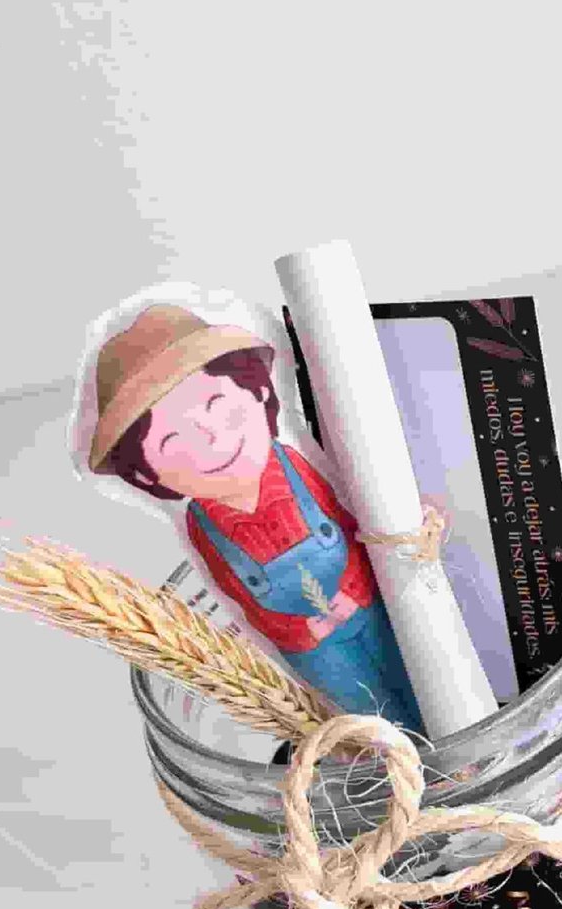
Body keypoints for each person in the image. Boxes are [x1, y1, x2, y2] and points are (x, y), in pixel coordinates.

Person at [88, 302, 419, 728]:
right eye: (172, 441)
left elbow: (351, 528)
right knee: (369, 718)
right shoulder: (201, 527)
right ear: (146, 474)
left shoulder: (294, 468)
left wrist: (353, 591)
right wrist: (301, 631)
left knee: (414, 679)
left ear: (258, 391)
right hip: (317, 652)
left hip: (369, 608)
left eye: (217, 404)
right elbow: (243, 599)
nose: (210, 439)